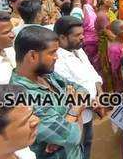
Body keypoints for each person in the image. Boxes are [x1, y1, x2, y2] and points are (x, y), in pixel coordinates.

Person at [10, 26, 86, 159]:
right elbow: (73, 137)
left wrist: (67, 123)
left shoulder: (46, 75)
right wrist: (75, 109)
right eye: (52, 52)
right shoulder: (23, 96)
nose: (56, 57)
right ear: (32, 56)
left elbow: (82, 90)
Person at [53, 16, 104, 159]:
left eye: (82, 33)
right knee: (75, 151)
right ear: (62, 37)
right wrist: (94, 103)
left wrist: (100, 94)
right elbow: (69, 92)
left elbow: (93, 74)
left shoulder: (78, 50)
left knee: (87, 145)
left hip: (89, 113)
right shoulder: (57, 61)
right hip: (73, 119)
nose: (83, 37)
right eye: (77, 35)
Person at [95, 0, 117, 91]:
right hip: (106, 48)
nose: (114, 1)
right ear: (104, 1)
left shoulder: (109, 12)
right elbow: (110, 35)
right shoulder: (102, 16)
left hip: (112, 46)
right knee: (108, 73)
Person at [107, 20, 123, 92]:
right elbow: (115, 70)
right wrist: (119, 86)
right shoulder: (114, 49)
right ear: (117, 33)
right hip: (121, 80)